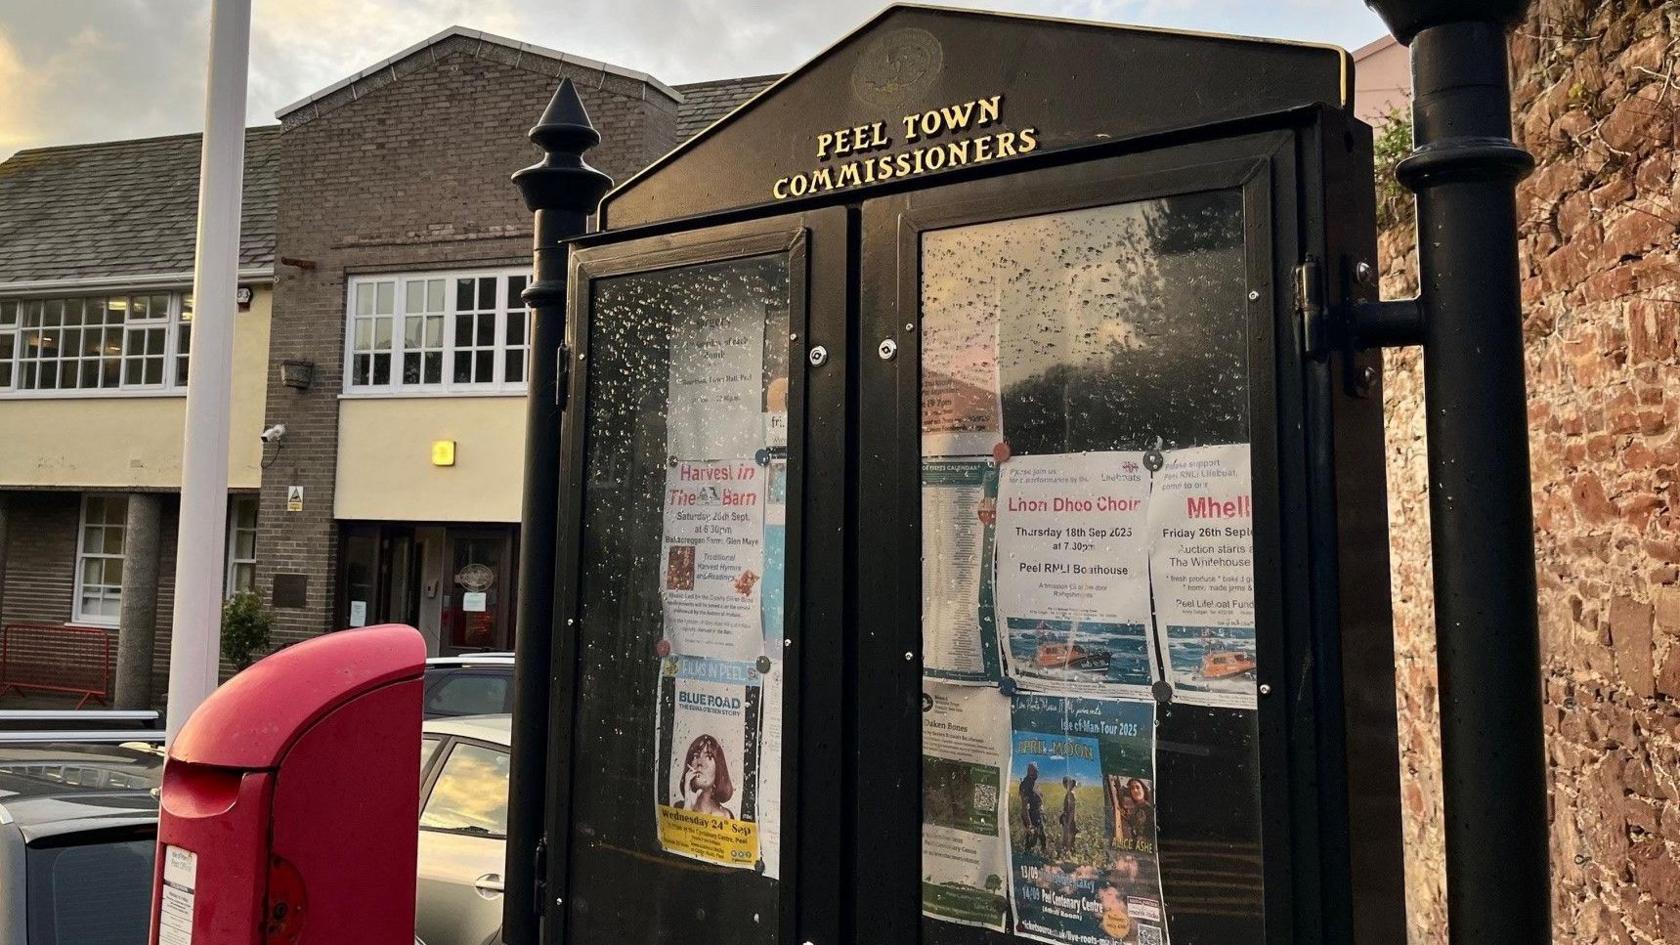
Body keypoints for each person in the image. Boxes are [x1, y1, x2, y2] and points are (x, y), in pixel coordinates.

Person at [676, 733, 736, 819]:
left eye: (708, 757)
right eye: (696, 756)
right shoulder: (679, 809)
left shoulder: (726, 817)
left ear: (718, 769)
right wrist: (687, 808)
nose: (700, 762)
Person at [1020, 762, 1046, 853]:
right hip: (1030, 815)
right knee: (1032, 838)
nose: (1037, 773)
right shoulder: (1026, 784)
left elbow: (1040, 799)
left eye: (1037, 771)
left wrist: (1042, 812)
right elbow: (1024, 807)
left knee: (1042, 836)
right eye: (1035, 771)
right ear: (1029, 771)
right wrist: (1029, 824)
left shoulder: (1034, 783)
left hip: (1037, 814)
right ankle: (1027, 856)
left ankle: (1042, 854)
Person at [1123, 778, 1155, 846]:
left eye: (1138, 787)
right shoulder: (1136, 808)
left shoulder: (1149, 810)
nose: (1135, 790)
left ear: (1143, 789)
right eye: (1132, 788)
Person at [1059, 776, 1079, 855]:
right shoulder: (1071, 793)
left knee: (1068, 839)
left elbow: (1071, 811)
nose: (1065, 785)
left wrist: (1068, 823)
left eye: (1066, 783)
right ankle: (1068, 853)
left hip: (1069, 820)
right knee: (1069, 838)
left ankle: (1067, 854)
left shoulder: (1071, 794)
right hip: (1069, 819)